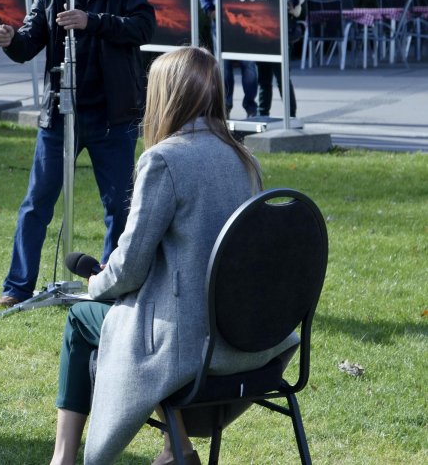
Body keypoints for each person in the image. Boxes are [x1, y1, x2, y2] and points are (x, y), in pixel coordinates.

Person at [50, 47, 299, 465]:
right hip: (252, 337)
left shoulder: (164, 160)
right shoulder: (245, 160)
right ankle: (174, 448)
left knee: (82, 320)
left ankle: (63, 458)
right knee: (163, 307)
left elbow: (129, 268)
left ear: (164, 97)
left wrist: (97, 284)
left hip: (193, 345)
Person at [0, 0, 156, 307]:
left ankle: (110, 285)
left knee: (119, 205)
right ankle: (17, 288)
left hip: (112, 115)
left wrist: (92, 21)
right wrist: (11, 40)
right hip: (61, 114)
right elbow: (30, 41)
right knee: (37, 202)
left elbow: (144, 27)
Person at [198, 0, 258, 118]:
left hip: (246, 23)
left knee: (249, 66)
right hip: (221, 24)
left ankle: (251, 108)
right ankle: (225, 107)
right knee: (224, 67)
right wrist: (209, 10)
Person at [257, 0, 300, 118]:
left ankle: (291, 116)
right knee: (264, 79)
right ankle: (262, 114)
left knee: (282, 78)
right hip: (261, 35)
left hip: (278, 37)